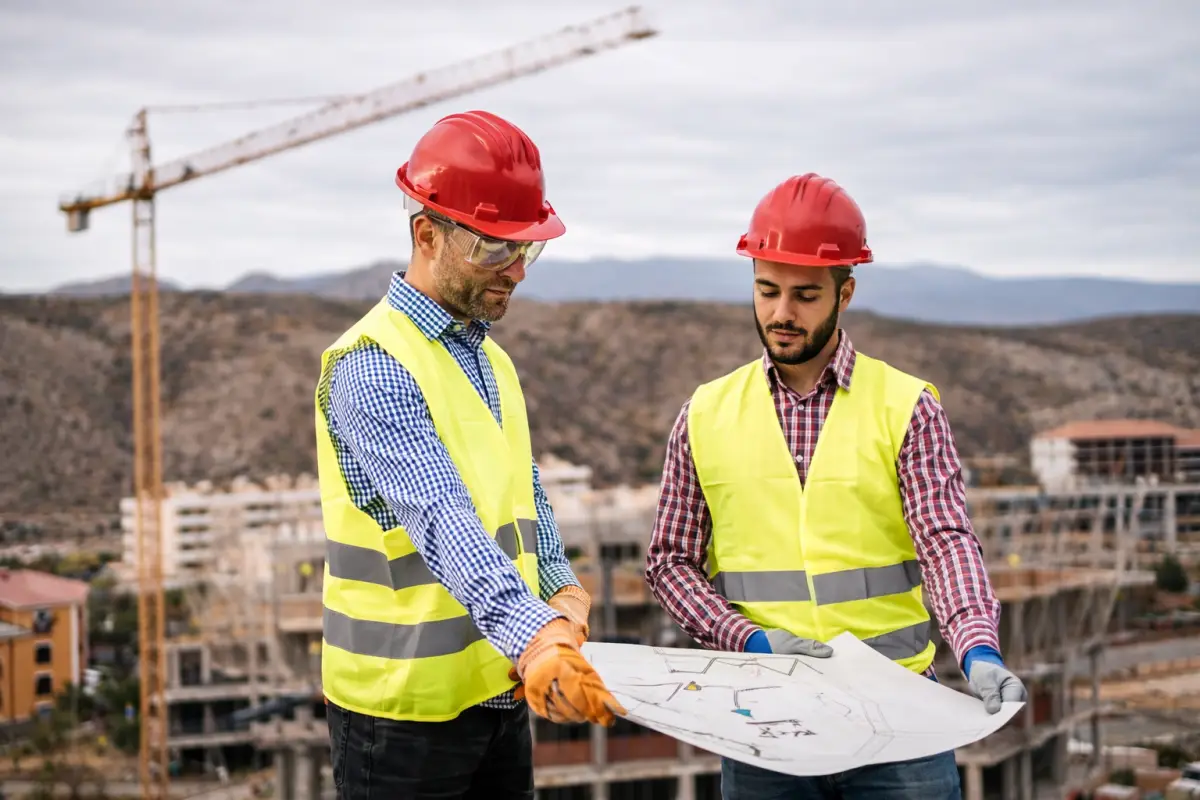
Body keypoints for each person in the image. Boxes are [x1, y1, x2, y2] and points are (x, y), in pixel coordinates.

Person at [644, 172, 1027, 798]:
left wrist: (978, 649)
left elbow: (946, 541)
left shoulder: (906, 406)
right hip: (766, 723)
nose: (781, 313)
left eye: (804, 295)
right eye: (766, 291)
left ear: (845, 293)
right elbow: (669, 564)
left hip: (898, 720)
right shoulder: (706, 412)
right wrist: (749, 638)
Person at [315, 109, 624, 800]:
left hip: (499, 692)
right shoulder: (374, 365)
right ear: (427, 234)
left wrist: (559, 588)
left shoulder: (494, 363)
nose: (515, 271)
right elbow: (441, 519)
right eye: (494, 248)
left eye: (527, 250)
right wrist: (536, 637)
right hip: (400, 718)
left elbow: (524, 493)